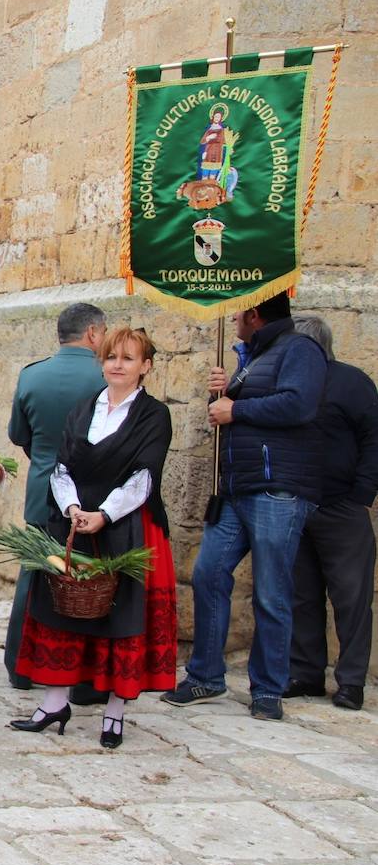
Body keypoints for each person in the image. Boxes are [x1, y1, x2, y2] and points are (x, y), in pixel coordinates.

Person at [162, 292, 327, 722]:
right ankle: (206, 675)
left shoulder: (299, 349)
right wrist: (224, 392)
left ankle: (269, 687)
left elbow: (299, 404)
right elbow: (239, 412)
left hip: (276, 489)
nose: (233, 319)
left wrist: (237, 406)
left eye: (238, 312)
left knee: (271, 590)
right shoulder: (254, 354)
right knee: (208, 574)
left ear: (254, 315)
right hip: (237, 488)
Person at [11, 327, 176, 748]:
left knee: (120, 616)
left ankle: (115, 713)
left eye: (127, 358)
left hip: (127, 524)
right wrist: (72, 510)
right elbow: (62, 467)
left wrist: (104, 514)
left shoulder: (154, 415)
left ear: (146, 366)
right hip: (74, 523)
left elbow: (145, 476)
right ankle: (53, 703)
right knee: (61, 611)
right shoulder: (83, 409)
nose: (117, 365)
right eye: (110, 357)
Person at [5, 302, 107, 690]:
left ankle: (19, 665)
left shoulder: (33, 375)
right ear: (94, 334)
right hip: (92, 492)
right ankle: (80, 675)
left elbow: (18, 434)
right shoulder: (105, 375)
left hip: (42, 487)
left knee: (34, 573)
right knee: (88, 578)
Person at [284, 316, 377, 711]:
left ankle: (351, 680)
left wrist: (361, 493)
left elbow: (374, 439)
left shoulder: (352, 383)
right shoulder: (285, 384)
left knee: (352, 597)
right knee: (302, 594)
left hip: (341, 506)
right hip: (293, 503)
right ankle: (306, 672)